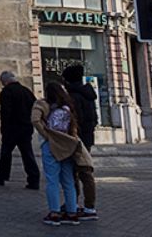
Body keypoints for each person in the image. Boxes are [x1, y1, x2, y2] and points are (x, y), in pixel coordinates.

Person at [32, 81, 93, 226]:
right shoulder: (68, 107)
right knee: (68, 181)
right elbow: (74, 126)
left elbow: (34, 119)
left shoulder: (42, 104)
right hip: (67, 145)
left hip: (51, 144)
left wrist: (47, 135)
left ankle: (54, 213)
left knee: (52, 180)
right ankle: (72, 213)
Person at [0, 70, 40, 190]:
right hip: (25, 127)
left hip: (12, 128)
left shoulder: (7, 92)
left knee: (5, 153)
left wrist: (4, 129)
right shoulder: (26, 91)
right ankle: (34, 179)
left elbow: (6, 112)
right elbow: (35, 107)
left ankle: (2, 176)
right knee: (27, 154)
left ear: (5, 81)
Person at [62, 64, 99, 220]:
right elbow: (94, 119)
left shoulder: (74, 96)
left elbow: (75, 120)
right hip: (87, 137)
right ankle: (81, 204)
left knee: (78, 172)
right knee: (83, 171)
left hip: (77, 139)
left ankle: (83, 206)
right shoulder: (88, 94)